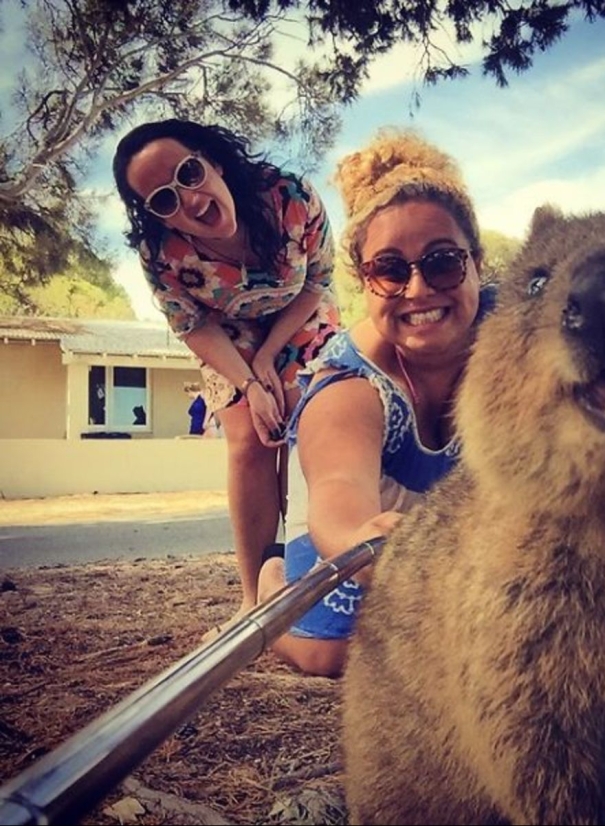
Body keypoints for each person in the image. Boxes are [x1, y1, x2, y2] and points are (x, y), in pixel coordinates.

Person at [256, 128, 496, 677]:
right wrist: (358, 540)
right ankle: (271, 585)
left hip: (461, 522)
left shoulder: (517, 334)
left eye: (441, 262)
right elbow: (340, 491)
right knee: (333, 655)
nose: (417, 289)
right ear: (364, 282)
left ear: (477, 263)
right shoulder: (348, 385)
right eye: (389, 269)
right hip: (371, 525)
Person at [113, 119, 340, 639]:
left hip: (296, 316)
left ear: (213, 160)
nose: (189, 200)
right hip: (225, 334)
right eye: (164, 200)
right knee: (248, 436)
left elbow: (320, 282)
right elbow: (192, 324)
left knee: (306, 416)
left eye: (189, 173)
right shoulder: (160, 255)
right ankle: (253, 600)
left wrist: (272, 360)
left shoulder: (289, 196)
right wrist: (251, 382)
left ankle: (311, 584)